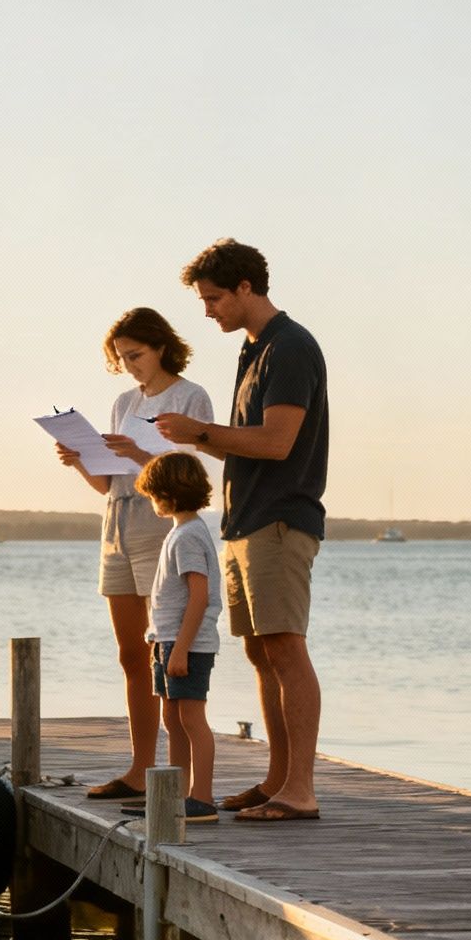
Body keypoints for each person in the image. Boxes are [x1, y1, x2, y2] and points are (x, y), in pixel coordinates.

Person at [153, 239, 328, 822]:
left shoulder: (291, 348)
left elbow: (276, 443)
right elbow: (248, 449)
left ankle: (299, 790)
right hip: (245, 521)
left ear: (247, 288)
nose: (207, 312)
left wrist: (200, 432)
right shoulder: (252, 352)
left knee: (285, 647)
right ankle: (278, 780)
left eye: (214, 299)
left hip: (280, 519)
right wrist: (197, 438)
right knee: (259, 651)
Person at [54, 307, 215, 801]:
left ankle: (171, 775)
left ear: (161, 346)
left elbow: (188, 476)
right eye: (121, 358)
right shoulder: (124, 400)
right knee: (130, 654)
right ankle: (139, 766)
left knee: (160, 648)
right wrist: (81, 461)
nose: (129, 365)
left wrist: (138, 456)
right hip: (116, 520)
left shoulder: (190, 396)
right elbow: (108, 481)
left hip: (158, 519)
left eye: (136, 354)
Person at [126, 451, 223, 823]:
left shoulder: (187, 537)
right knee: (173, 718)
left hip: (187, 645)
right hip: (168, 642)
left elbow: (199, 596)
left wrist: (180, 649)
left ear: (168, 494)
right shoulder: (181, 532)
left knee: (193, 718)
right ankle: (177, 794)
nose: (151, 502)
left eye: (153, 496)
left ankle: (203, 797)